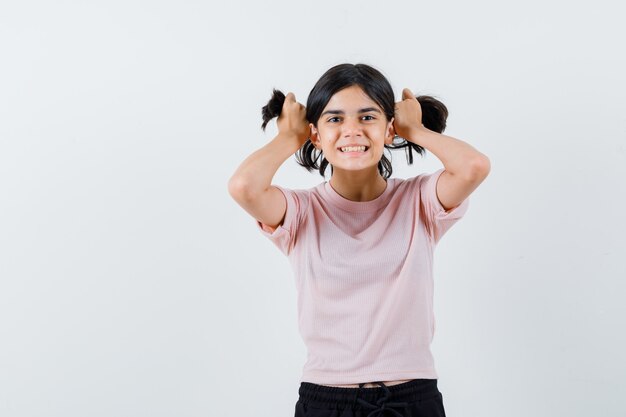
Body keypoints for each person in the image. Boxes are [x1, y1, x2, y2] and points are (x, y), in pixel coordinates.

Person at [228, 63, 490, 417]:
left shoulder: (420, 201)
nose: (352, 131)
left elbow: (474, 166)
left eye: (367, 117)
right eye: (334, 120)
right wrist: (288, 138)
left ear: (389, 130)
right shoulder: (301, 211)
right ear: (315, 135)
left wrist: (416, 129)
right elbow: (244, 187)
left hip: (412, 398)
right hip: (326, 400)